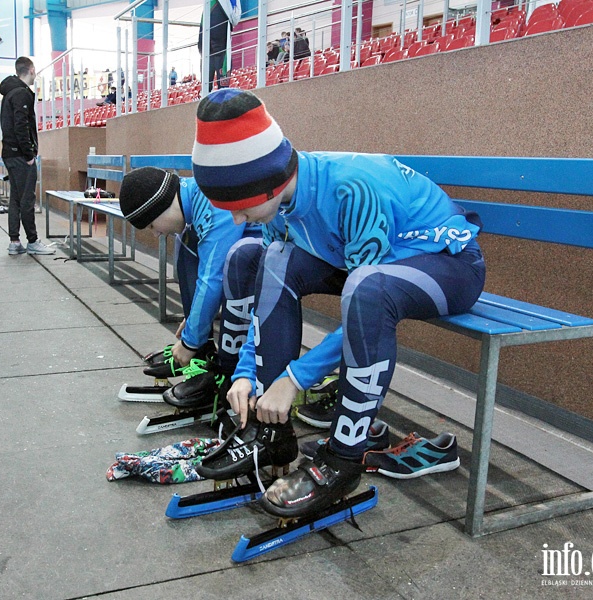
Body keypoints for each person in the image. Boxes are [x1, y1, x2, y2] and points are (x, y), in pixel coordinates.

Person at [190, 89, 486, 518]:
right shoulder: (279, 202)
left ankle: (344, 458)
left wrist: (295, 378)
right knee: (271, 257)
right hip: (371, 268)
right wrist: (247, 376)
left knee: (367, 288)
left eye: (240, 207)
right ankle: (272, 431)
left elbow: (365, 305)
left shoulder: (352, 190)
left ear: (269, 182)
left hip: (451, 265)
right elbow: (269, 293)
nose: (236, 220)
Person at [118, 166, 263, 406]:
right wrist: (196, 320)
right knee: (187, 243)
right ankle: (203, 351)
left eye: (152, 225)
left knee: (239, 261)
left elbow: (212, 279)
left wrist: (188, 342)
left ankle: (227, 371)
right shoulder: (195, 197)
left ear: (160, 206)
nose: (156, 234)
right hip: (255, 251)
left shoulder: (213, 206)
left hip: (276, 253)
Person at [0, 56, 55, 255]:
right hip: (20, 155)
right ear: (31, 70)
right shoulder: (22, 94)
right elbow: (21, 125)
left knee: (15, 198)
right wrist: (29, 154)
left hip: (9, 152)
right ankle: (32, 240)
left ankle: (14, 241)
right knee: (26, 199)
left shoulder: (8, 93)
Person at [197, 0, 240, 93]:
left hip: (221, 46)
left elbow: (235, 17)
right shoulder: (208, 4)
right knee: (206, 85)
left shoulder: (227, 3)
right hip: (208, 48)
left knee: (223, 85)